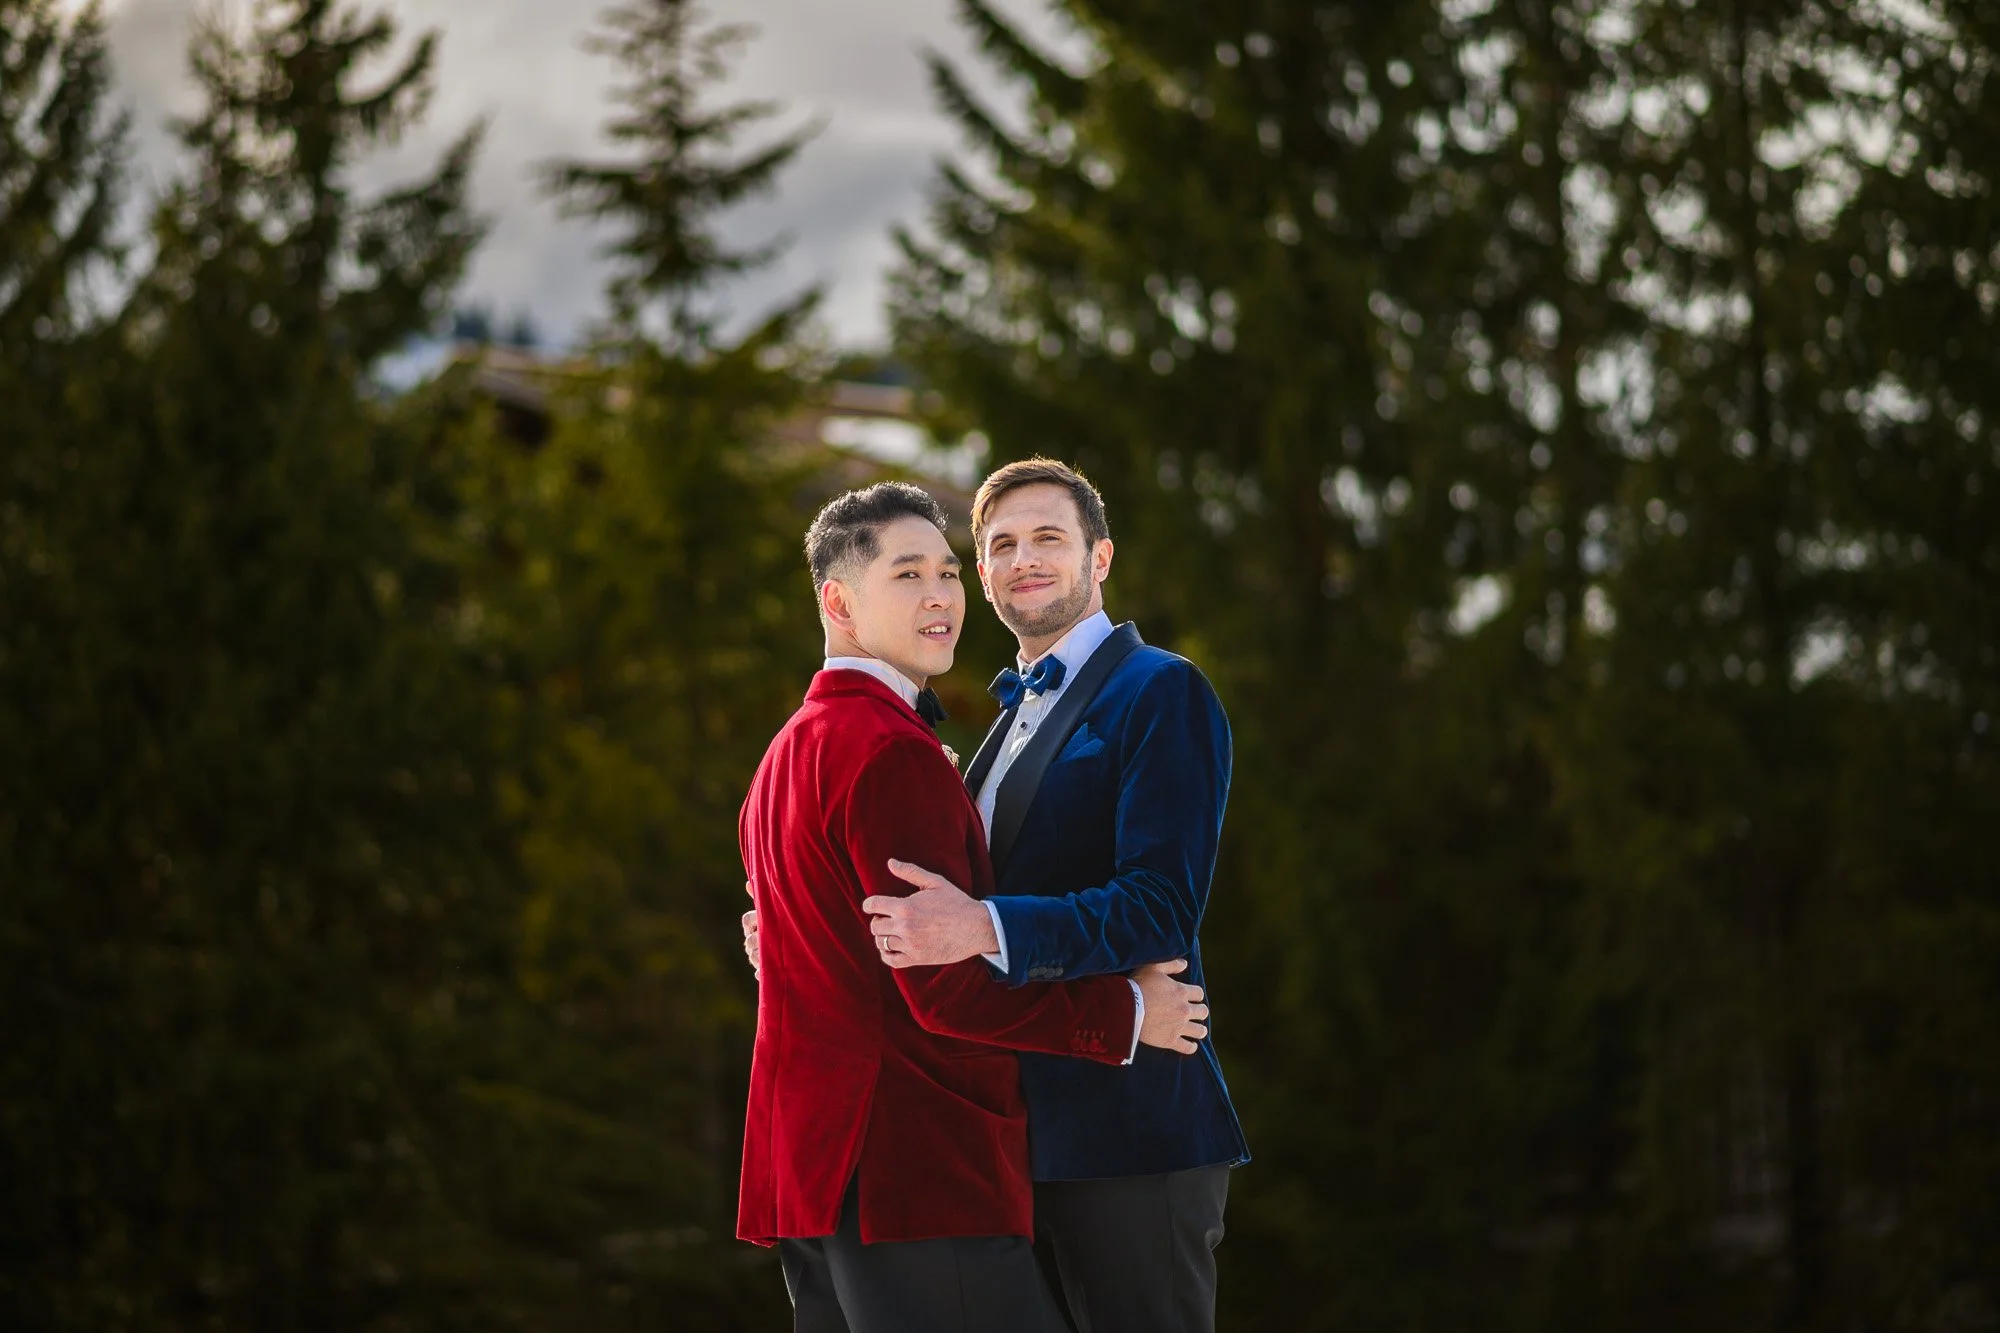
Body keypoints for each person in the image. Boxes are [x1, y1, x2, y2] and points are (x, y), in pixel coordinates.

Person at [747, 460, 1248, 1333]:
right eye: (998, 545)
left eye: (1048, 537)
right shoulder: (966, 732)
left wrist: (985, 926)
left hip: (1128, 1120)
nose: (1023, 559)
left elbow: (1160, 907)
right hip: (1010, 1130)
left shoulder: (1161, 689)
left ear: (1100, 557)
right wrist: (800, 937)